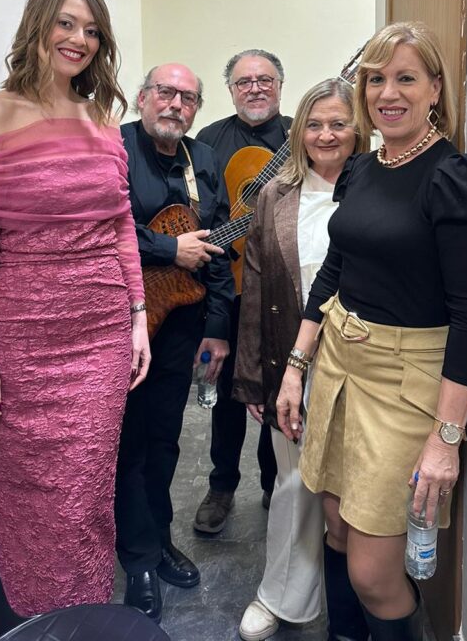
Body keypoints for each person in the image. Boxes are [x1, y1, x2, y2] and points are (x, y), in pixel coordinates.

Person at [276, 22, 467, 641]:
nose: (388, 93)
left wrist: (446, 439)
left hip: (405, 383)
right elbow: (337, 270)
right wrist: (297, 365)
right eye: (376, 79)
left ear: (435, 90)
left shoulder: (454, 178)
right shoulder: (363, 168)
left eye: (405, 78)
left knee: (374, 573)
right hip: (339, 363)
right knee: (337, 529)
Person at [0, 0, 149, 615]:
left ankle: (83, 616)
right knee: (24, 490)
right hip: (22, 336)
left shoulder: (102, 119)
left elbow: (121, 224)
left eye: (92, 30)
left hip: (99, 331)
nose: (79, 39)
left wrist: (138, 317)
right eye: (67, 23)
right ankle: (25, 620)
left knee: (84, 491)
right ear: (38, 25)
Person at [233, 79, 370, 641]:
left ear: (358, 129)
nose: (325, 135)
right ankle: (282, 597)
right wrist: (252, 380)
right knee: (293, 484)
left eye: (338, 123)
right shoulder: (276, 195)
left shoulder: (377, 187)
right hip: (291, 362)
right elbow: (255, 289)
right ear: (298, 132)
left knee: (355, 489)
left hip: (365, 365)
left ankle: (360, 601)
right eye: (314, 125)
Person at [116, 64, 234, 623]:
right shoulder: (113, 149)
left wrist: (218, 325)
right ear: (142, 97)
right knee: (129, 441)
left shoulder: (201, 159)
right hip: (121, 321)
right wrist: (169, 250)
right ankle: (138, 557)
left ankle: (159, 538)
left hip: (182, 322)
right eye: (165, 92)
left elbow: (217, 243)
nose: (175, 104)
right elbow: (102, 227)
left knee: (165, 438)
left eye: (188, 98)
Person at [193, 49, 291, 534]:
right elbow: (201, 213)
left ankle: (277, 484)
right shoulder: (208, 140)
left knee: (279, 388)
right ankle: (222, 486)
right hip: (228, 285)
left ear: (280, 86)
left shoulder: (300, 134)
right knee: (228, 391)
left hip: (282, 286)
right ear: (230, 90)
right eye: (244, 81)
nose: (255, 88)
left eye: (265, 79)